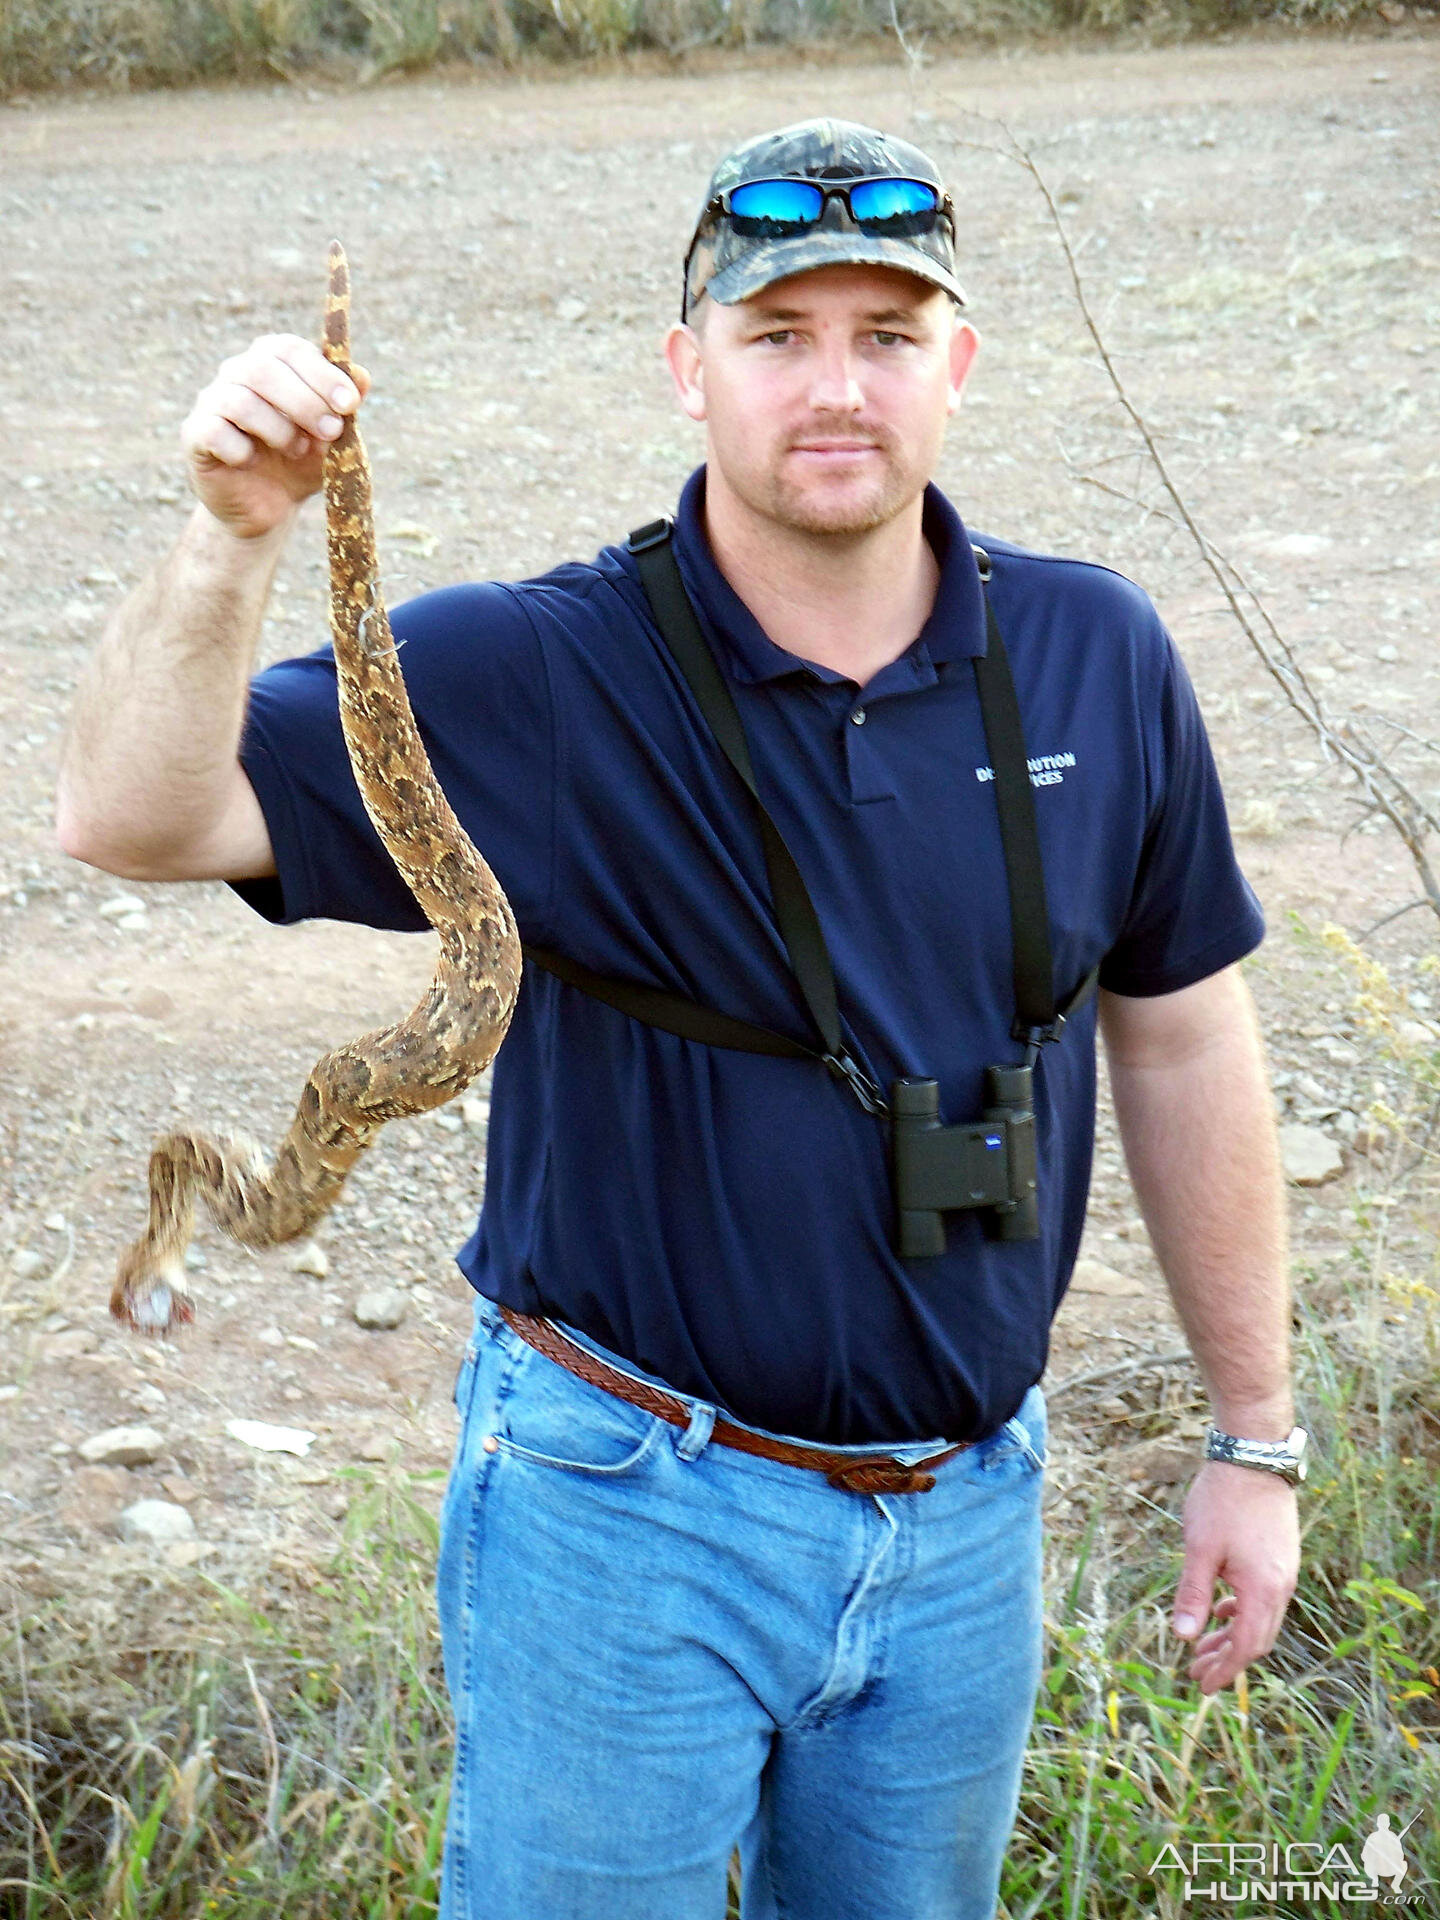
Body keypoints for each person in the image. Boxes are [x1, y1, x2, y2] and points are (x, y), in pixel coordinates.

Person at [58, 118, 1303, 1920]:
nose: (836, 387)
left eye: (887, 334)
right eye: (777, 335)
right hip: (619, 1520)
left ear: (956, 364)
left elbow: (1181, 1031)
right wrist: (229, 536)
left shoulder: (1096, 653)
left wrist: (1251, 1436)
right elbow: (131, 814)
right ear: (686, 369)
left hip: (965, 1528)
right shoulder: (543, 672)